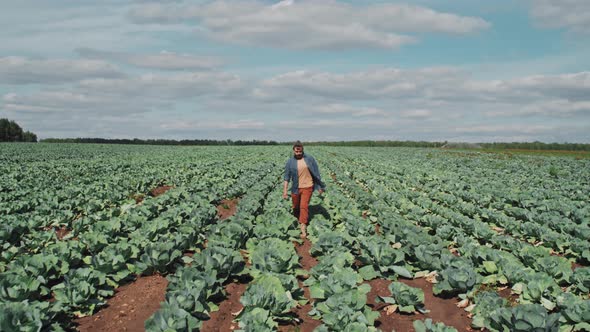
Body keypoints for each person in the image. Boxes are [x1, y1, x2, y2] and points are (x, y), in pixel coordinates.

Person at [283, 141, 326, 239]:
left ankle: (303, 226)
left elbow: (316, 173)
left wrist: (319, 186)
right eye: (296, 152)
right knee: (296, 206)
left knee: (304, 206)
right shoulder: (290, 162)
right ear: (294, 151)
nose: (298, 153)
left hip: (308, 186)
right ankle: (297, 220)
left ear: (302, 150)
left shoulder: (309, 159)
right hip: (295, 188)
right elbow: (286, 177)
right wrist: (285, 191)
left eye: (300, 151)